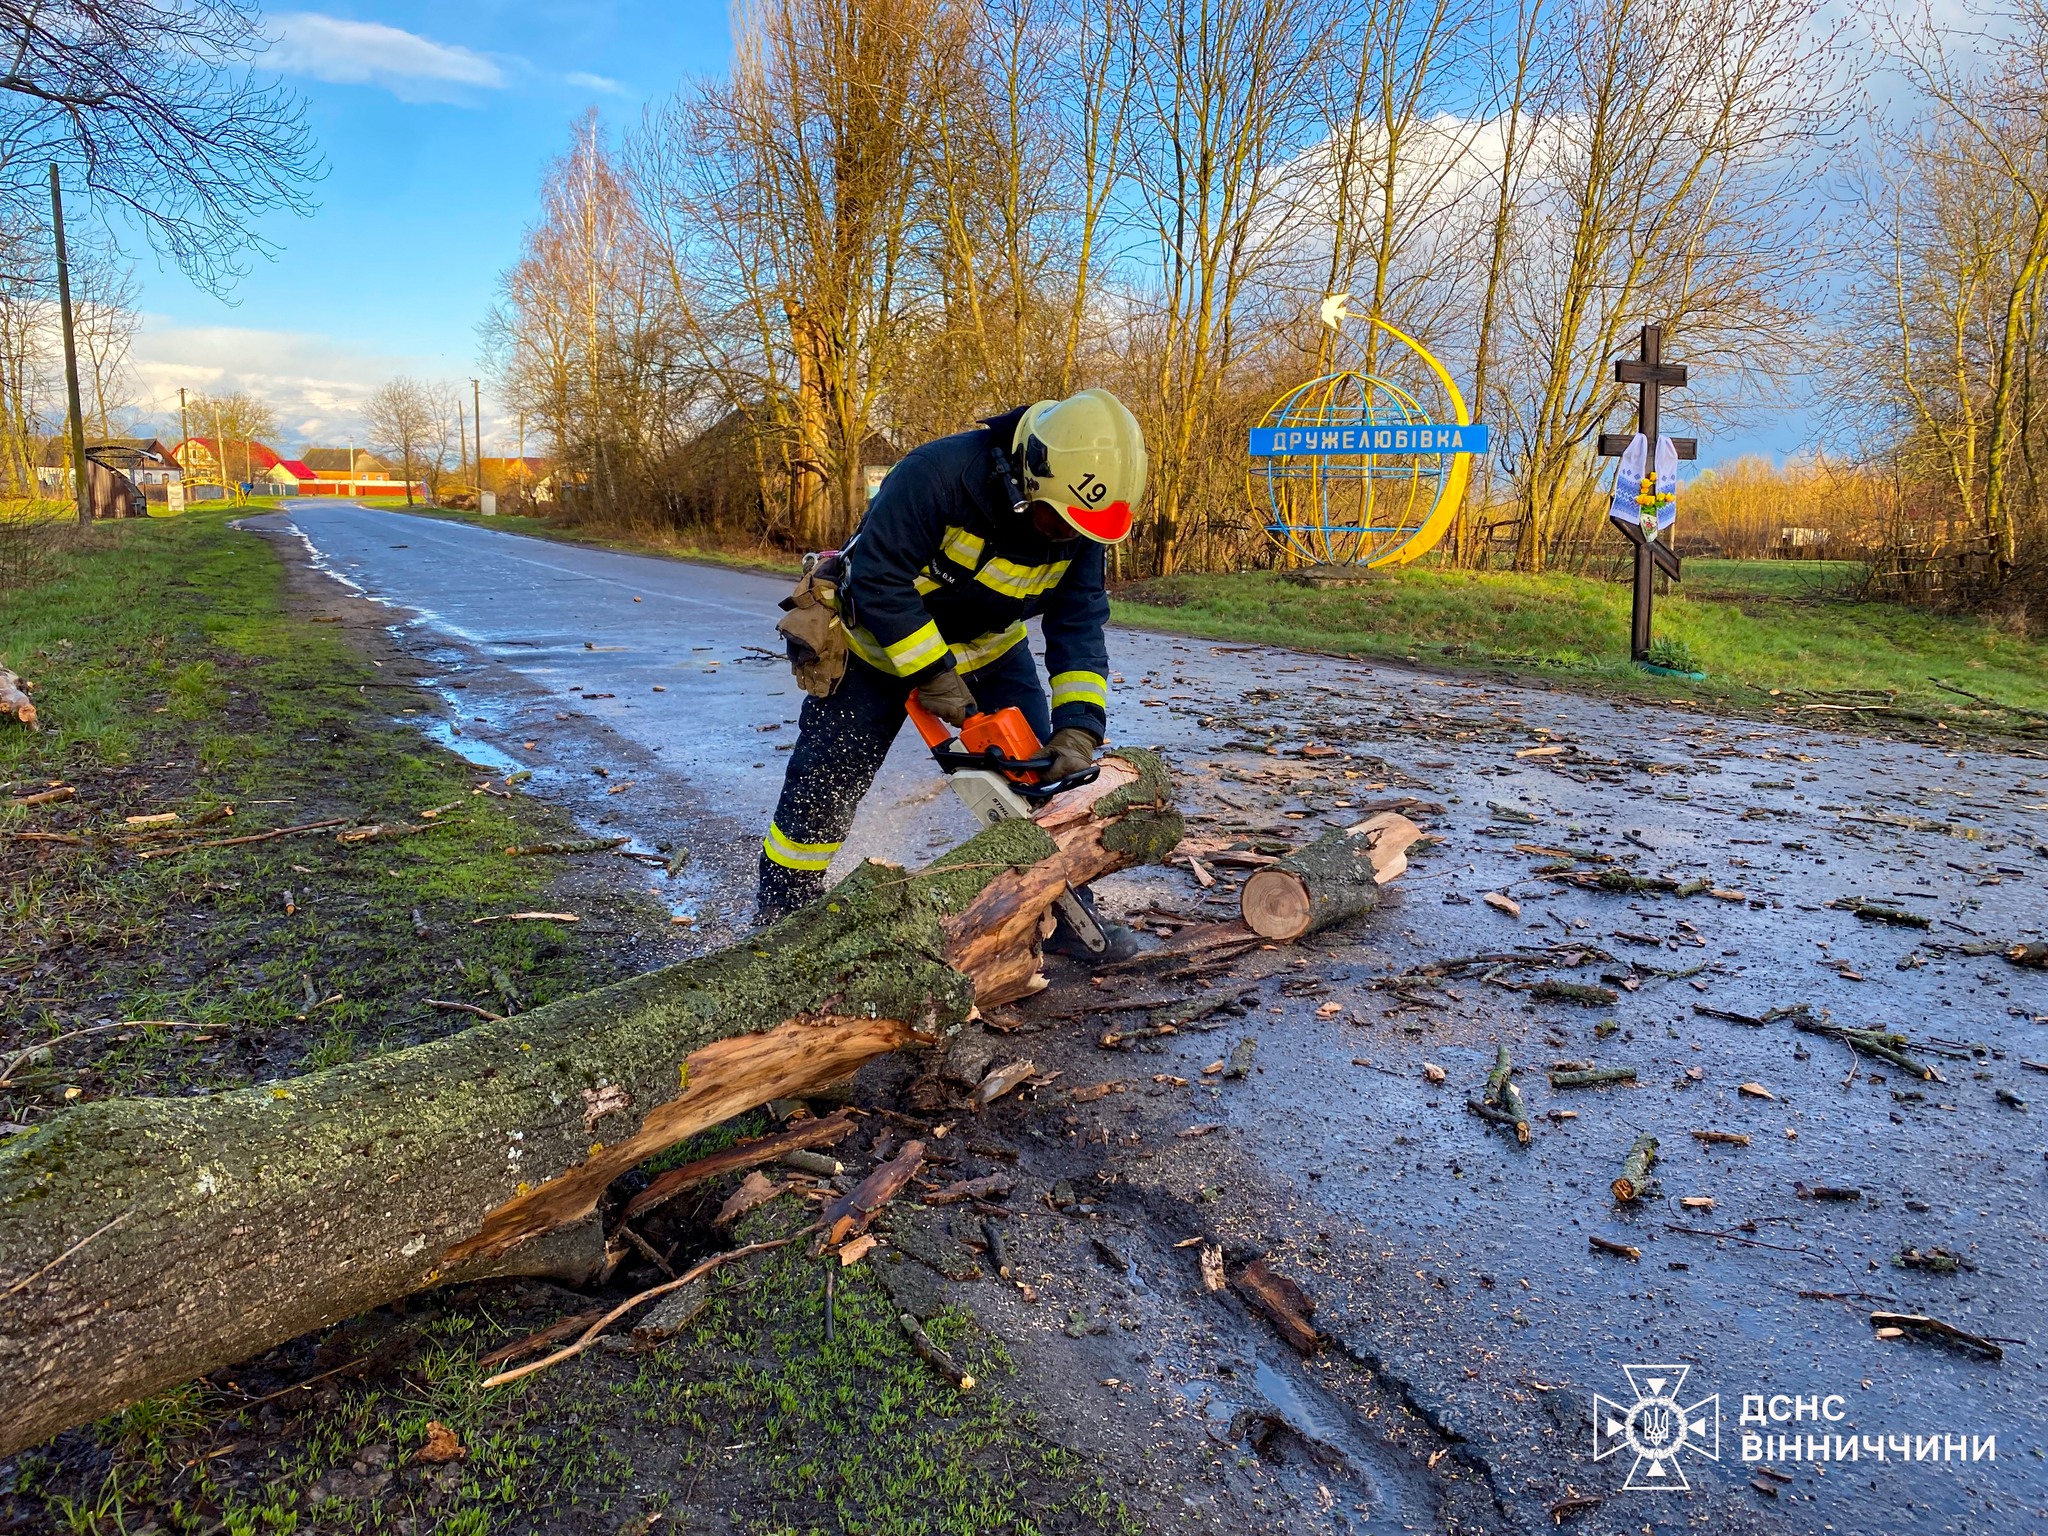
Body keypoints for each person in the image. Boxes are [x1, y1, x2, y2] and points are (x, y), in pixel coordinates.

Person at [756, 388, 1145, 959]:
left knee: (1039, 783)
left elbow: (1079, 622)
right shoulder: (936, 476)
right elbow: (878, 579)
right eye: (1060, 521)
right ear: (1029, 478)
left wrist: (1079, 728)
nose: (1069, 535)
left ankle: (1059, 915)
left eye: (1081, 528)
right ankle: (781, 917)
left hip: (989, 648)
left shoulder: (1082, 524)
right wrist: (934, 675)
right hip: (876, 646)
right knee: (826, 781)